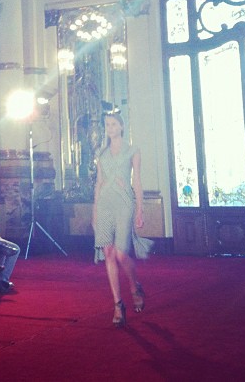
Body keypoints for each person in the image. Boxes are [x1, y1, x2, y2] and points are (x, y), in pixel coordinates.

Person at [92, 113, 153, 327]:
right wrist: (95, 210)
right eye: (107, 124)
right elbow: (99, 182)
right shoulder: (101, 153)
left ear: (121, 127)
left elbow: (137, 181)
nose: (110, 128)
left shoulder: (132, 150)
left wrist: (140, 209)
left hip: (125, 202)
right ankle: (118, 304)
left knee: (120, 253)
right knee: (108, 253)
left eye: (113, 124)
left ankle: (135, 286)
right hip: (105, 204)